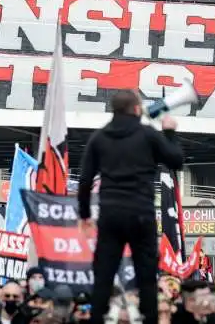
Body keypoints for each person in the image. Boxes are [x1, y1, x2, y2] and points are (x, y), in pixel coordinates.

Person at [78, 90, 184, 324]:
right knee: (146, 274)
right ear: (137, 109)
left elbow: (85, 181)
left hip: (110, 215)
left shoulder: (99, 138)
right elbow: (176, 160)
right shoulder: (148, 135)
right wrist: (169, 132)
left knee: (103, 274)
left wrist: (84, 215)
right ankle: (150, 317)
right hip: (141, 214)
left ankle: (97, 317)